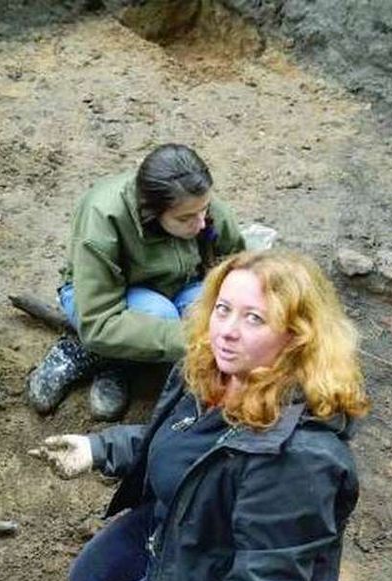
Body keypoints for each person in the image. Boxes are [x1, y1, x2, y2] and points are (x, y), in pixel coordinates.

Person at [29, 251, 370, 581]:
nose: (227, 331)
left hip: (221, 574)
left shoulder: (300, 459)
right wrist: (99, 449)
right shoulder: (216, 368)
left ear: (295, 337)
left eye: (255, 319)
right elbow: (177, 443)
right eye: (223, 309)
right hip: (184, 525)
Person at [26, 144, 245, 421]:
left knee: (219, 311)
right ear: (152, 212)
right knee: (160, 314)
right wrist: (198, 337)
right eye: (186, 218)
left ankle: (130, 357)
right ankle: (96, 355)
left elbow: (237, 267)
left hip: (181, 285)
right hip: (109, 298)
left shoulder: (194, 201)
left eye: (205, 210)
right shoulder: (102, 217)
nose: (202, 223)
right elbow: (100, 321)